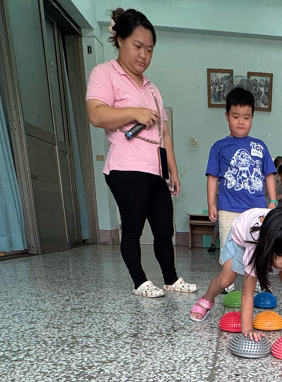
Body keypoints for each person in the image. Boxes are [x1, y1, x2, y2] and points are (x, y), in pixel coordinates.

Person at [86, 8, 196, 298]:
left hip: (155, 170)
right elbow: (96, 115)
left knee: (164, 229)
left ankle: (171, 279)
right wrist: (134, 112)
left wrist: (173, 171)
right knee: (133, 228)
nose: (144, 55)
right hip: (125, 168)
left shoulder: (152, 88)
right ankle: (140, 282)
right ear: (120, 40)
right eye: (137, 46)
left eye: (149, 49)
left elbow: (164, 134)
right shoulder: (104, 74)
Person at [189, 207, 282, 333]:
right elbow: (247, 293)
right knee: (226, 279)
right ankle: (206, 300)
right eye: (280, 255)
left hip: (273, 238)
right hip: (241, 235)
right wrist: (247, 330)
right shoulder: (256, 245)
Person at [207, 87, 277, 252]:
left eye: (246, 117)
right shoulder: (219, 146)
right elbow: (212, 177)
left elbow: (269, 175)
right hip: (228, 210)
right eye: (235, 116)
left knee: (256, 252)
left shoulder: (260, 146)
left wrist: (273, 202)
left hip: (257, 210)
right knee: (229, 253)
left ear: (252, 117)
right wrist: (211, 204)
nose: (241, 122)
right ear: (226, 116)